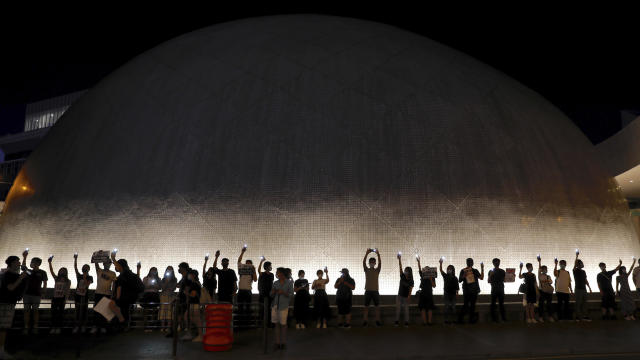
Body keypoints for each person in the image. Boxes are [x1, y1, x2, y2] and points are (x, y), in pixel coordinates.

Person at [0, 256, 27, 358]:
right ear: (11, 263)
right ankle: (1, 351)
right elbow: (10, 287)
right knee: (3, 327)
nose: (19, 263)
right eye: (17, 262)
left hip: (10, 303)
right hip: (5, 303)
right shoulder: (7, 275)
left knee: (4, 327)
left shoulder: (14, 274)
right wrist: (21, 278)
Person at [110, 252, 142, 329]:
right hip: (128, 297)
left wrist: (113, 258)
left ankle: (122, 322)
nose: (115, 267)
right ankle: (123, 323)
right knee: (124, 311)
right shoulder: (127, 274)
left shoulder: (123, 275)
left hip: (124, 298)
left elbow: (119, 288)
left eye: (116, 265)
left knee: (115, 307)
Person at [21, 250, 47, 335]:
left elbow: (45, 282)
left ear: (37, 263)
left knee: (35, 311)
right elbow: (23, 268)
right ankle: (26, 327)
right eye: (31, 262)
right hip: (27, 293)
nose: (31, 263)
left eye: (32, 262)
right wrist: (24, 257)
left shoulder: (42, 272)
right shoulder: (29, 272)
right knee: (26, 311)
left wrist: (43, 292)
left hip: (37, 294)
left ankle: (35, 326)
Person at [91, 257, 117, 334]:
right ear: (103, 264)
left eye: (109, 263)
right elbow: (96, 264)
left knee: (104, 311)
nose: (107, 264)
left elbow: (114, 285)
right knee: (96, 311)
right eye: (106, 263)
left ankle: (102, 326)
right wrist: (99, 256)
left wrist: (112, 294)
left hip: (107, 293)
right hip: (98, 293)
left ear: (110, 264)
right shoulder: (99, 271)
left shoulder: (113, 273)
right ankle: (95, 326)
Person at [271, 267, 294, 351]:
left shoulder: (289, 283)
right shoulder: (275, 282)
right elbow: (271, 295)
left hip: (284, 306)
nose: (277, 274)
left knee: (283, 325)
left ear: (282, 273)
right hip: (275, 305)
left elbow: (291, 294)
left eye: (278, 272)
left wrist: (283, 292)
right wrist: (273, 292)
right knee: (276, 324)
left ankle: (283, 342)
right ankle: (277, 342)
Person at [48, 255, 71, 334]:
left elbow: (68, 290)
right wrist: (50, 263)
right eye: (61, 270)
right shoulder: (56, 278)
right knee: (54, 313)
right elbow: (51, 271)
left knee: (60, 313)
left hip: (62, 298)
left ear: (66, 272)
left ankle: (58, 327)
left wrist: (66, 299)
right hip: (55, 297)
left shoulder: (68, 281)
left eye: (63, 271)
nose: (62, 272)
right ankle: (53, 327)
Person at [458, 258, 484, 324]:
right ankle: (460, 319)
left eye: (471, 262)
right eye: (469, 262)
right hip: (467, 290)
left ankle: (471, 319)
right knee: (465, 305)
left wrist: (482, 268)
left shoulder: (475, 270)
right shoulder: (463, 270)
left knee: (473, 305)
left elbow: (481, 278)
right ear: (466, 263)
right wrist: (464, 275)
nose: (470, 263)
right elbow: (460, 280)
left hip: (474, 290)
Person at [73, 253, 93, 334]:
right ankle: (77, 325)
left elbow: (87, 284)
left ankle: (84, 326)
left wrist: (85, 277)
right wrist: (75, 259)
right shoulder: (79, 276)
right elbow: (75, 268)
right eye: (83, 268)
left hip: (85, 295)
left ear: (88, 270)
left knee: (84, 311)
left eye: (86, 268)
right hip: (77, 295)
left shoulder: (90, 277)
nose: (84, 269)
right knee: (77, 310)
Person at [237, 246, 257, 326]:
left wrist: (254, 270)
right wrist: (242, 252)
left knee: (248, 307)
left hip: (248, 291)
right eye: (246, 263)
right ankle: (240, 322)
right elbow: (239, 261)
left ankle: (247, 323)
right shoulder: (242, 271)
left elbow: (255, 280)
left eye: (249, 264)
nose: (248, 265)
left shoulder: (252, 273)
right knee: (240, 307)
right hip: (241, 290)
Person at [181, 269, 203, 342]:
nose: (188, 276)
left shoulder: (194, 284)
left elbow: (193, 295)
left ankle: (200, 335)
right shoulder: (195, 283)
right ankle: (191, 333)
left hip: (195, 304)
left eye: (189, 275)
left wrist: (186, 293)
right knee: (188, 317)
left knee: (197, 320)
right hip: (193, 304)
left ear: (193, 275)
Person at [362, 248, 382, 327]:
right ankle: (365, 321)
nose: (372, 263)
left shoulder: (377, 270)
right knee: (366, 307)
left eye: (373, 262)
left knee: (377, 307)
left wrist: (378, 254)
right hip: (368, 291)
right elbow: (363, 262)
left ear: (375, 263)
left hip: (375, 291)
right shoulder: (366, 270)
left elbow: (380, 263)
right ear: (369, 263)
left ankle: (377, 320)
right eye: (371, 262)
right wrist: (367, 253)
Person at [394, 253, 414, 327]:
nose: (405, 272)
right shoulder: (402, 276)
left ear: (409, 272)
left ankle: (406, 322)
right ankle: (396, 321)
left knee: (406, 310)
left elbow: (411, 289)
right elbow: (400, 268)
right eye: (405, 270)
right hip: (399, 295)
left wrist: (409, 296)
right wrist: (399, 259)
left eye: (407, 271)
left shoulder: (411, 280)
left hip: (406, 296)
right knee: (398, 309)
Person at [573, 252, 592, 322]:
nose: (583, 264)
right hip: (578, 288)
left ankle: (585, 316)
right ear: (578, 264)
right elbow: (574, 265)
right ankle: (578, 317)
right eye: (581, 263)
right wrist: (576, 257)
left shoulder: (583, 271)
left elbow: (585, 280)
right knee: (578, 303)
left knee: (584, 303)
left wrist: (589, 287)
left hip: (584, 289)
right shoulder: (575, 271)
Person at [416, 256, 435, 325]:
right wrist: (418, 261)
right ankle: (424, 322)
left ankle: (429, 321)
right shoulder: (422, 275)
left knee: (430, 308)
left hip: (429, 293)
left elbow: (434, 286)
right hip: (423, 293)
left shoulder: (432, 276)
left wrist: (430, 279)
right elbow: (419, 269)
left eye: (428, 270)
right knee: (423, 308)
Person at [141, 267, 161, 331]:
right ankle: (145, 325)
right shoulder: (145, 278)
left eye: (155, 271)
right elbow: (142, 286)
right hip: (147, 294)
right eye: (152, 271)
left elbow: (160, 287)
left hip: (154, 294)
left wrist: (155, 285)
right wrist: (148, 286)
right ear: (150, 271)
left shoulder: (158, 279)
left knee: (154, 310)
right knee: (146, 310)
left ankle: (152, 325)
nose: (153, 272)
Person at [439, 258, 459, 324]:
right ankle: (446, 320)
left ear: (453, 270)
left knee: (453, 307)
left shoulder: (455, 278)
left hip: (453, 294)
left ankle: (454, 320)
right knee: (446, 307)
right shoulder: (445, 276)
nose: (449, 270)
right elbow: (441, 270)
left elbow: (457, 287)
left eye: (450, 269)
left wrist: (457, 294)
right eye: (448, 269)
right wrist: (441, 263)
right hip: (447, 293)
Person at [160, 266, 177, 335]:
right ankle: (162, 326)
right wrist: (167, 281)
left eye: (171, 270)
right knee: (163, 310)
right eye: (168, 270)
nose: (169, 271)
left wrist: (169, 282)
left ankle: (168, 327)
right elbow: (162, 288)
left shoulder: (174, 279)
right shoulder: (163, 279)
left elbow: (173, 288)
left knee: (170, 311)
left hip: (171, 296)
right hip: (164, 296)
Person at [488, 258, 506, 323]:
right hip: (494, 290)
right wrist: (491, 275)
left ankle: (503, 318)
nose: (497, 263)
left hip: (501, 289)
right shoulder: (490, 271)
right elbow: (488, 281)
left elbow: (505, 280)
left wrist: (512, 276)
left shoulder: (502, 271)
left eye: (498, 262)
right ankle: (493, 319)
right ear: (493, 263)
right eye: (496, 262)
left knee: (501, 305)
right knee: (493, 305)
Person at [258, 258, 274, 326]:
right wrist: (261, 261)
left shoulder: (272, 274)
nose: (271, 267)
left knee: (269, 308)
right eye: (270, 266)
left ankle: (268, 322)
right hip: (263, 293)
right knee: (263, 308)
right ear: (267, 267)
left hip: (270, 293)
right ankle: (262, 322)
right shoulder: (263, 274)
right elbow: (258, 270)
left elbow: (272, 283)